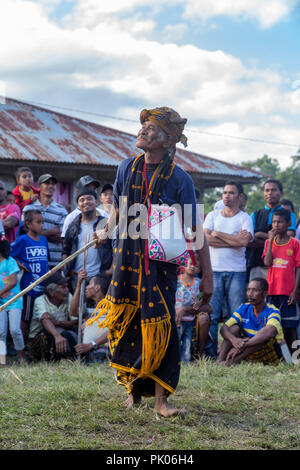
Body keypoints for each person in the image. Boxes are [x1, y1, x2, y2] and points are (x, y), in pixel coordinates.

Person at [90, 106, 213, 417]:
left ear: (167, 139)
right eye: (143, 125)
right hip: (125, 261)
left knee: (161, 326)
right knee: (127, 322)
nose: (143, 131)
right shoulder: (125, 168)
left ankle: (161, 401)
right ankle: (133, 393)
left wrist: (208, 277)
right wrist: (104, 231)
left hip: (160, 267)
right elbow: (118, 212)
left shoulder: (179, 178)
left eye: (151, 128)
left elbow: (195, 230)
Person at [203, 181, 254, 358]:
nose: (226, 195)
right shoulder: (212, 215)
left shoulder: (244, 218)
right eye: (224, 192)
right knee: (212, 314)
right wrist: (233, 240)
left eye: (231, 193)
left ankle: (230, 352)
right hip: (214, 270)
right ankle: (210, 353)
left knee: (235, 315)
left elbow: (244, 242)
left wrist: (217, 234)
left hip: (237, 271)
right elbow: (206, 240)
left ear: (240, 197)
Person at [218, 278, 283, 365]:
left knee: (261, 337)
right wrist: (234, 340)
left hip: (266, 352)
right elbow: (224, 328)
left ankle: (233, 362)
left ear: (265, 294)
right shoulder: (244, 307)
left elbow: (270, 331)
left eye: (254, 290)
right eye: (248, 290)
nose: (250, 294)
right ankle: (220, 361)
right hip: (247, 351)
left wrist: (243, 345)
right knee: (233, 329)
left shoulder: (273, 311)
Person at [262, 208, 300, 353]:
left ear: (288, 223)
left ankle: (296, 357)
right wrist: (271, 241)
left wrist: (294, 291)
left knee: (290, 327)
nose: (276, 225)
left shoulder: (295, 243)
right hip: (272, 291)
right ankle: (278, 356)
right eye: (274, 222)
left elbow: (298, 268)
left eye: (280, 222)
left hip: (288, 292)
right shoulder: (268, 243)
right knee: (274, 327)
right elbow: (267, 262)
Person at [62, 188, 113, 291]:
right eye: (82, 200)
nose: (85, 202)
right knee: (77, 306)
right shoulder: (73, 226)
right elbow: (65, 251)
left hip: (100, 277)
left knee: (99, 307)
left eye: (89, 199)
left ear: (96, 201)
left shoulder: (105, 224)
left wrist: (110, 271)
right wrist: (68, 269)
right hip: (77, 277)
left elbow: (116, 248)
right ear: (78, 205)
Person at [10, 209, 49, 340]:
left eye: (42, 222)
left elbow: (46, 261)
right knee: (25, 318)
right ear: (28, 224)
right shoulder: (22, 240)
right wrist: (18, 263)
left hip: (42, 286)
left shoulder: (44, 240)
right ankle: (23, 344)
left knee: (38, 317)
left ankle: (34, 344)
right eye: (38, 222)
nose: (41, 225)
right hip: (28, 287)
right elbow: (8, 254)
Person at [247, 179, 297, 281]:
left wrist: (259, 234)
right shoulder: (255, 214)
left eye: (273, 190)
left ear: (281, 193)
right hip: (257, 265)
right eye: (267, 190)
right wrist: (273, 239)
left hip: (281, 266)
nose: (270, 193)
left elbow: (289, 237)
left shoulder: (289, 214)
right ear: (263, 193)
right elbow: (249, 239)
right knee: (255, 295)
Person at [27, 272, 77, 361]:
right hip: (39, 341)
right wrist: (57, 336)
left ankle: (69, 359)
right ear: (51, 292)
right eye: (63, 287)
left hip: (61, 336)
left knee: (68, 334)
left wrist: (57, 323)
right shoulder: (40, 301)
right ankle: (48, 360)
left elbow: (75, 320)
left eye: (67, 286)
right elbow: (45, 320)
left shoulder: (69, 297)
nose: (67, 290)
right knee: (47, 334)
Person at [22, 174, 68, 268]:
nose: (50, 186)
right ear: (39, 186)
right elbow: (25, 232)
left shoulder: (62, 210)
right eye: (47, 183)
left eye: (53, 184)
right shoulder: (28, 208)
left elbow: (61, 237)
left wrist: (36, 234)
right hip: (33, 261)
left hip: (55, 262)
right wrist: (52, 232)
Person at [175, 256, 211, 362]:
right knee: (176, 341)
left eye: (196, 266)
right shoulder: (177, 280)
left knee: (187, 342)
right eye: (190, 264)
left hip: (190, 319)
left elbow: (200, 298)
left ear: (199, 270)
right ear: (184, 266)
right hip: (176, 318)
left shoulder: (199, 283)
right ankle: (175, 361)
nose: (192, 267)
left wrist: (199, 301)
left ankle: (186, 362)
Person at [70, 270, 110, 360]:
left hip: (103, 350)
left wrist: (91, 345)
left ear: (97, 287)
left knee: (100, 355)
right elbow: (73, 312)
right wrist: (78, 285)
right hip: (85, 350)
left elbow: (113, 330)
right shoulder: (88, 308)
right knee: (67, 336)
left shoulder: (113, 308)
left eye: (89, 284)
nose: (86, 287)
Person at [0, 235, 25, 365]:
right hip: (1, 303)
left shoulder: (9, 261)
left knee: (15, 330)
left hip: (14, 300)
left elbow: (13, 281)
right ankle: (2, 360)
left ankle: (21, 356)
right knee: (1, 332)